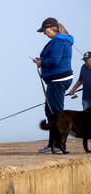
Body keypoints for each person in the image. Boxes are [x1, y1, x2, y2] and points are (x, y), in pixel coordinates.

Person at [32, 17, 74, 153]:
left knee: (56, 114)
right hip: (58, 79)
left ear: (49, 28)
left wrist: (42, 63)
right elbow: (56, 59)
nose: (44, 34)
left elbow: (55, 61)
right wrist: (43, 60)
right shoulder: (61, 40)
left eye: (44, 31)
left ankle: (58, 146)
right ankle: (53, 144)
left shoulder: (58, 42)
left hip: (58, 80)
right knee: (51, 111)